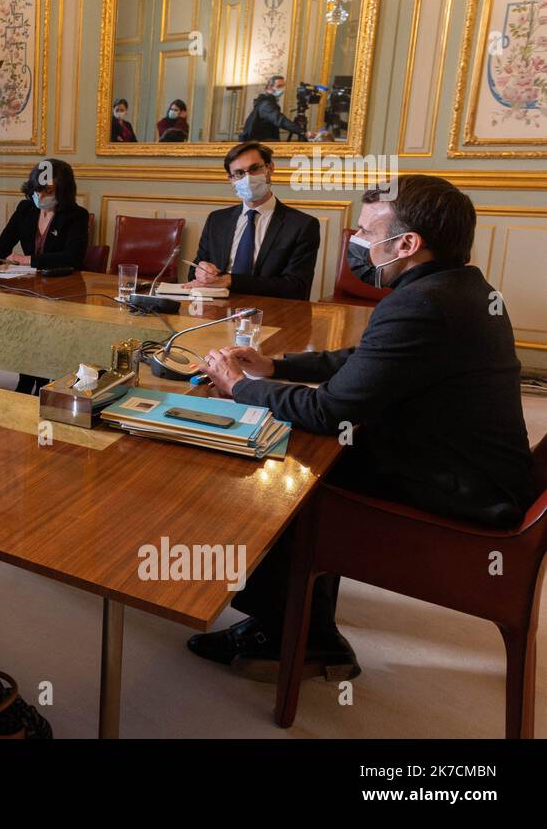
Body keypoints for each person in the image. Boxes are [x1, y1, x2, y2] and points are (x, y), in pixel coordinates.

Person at [190, 175, 534, 679]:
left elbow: (332, 412)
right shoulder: (461, 288)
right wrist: (274, 366)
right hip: (475, 468)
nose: (357, 242)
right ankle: (302, 622)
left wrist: (238, 385)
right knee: (302, 446)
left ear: (408, 244)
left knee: (279, 462)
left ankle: (293, 632)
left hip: (462, 489)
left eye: (368, 233)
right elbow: (364, 359)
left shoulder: (422, 302)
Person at [0, 159, 89, 394]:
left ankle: (41, 381)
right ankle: (27, 377)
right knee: (23, 326)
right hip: (28, 288)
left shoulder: (76, 215)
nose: (40, 196)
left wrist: (28, 260)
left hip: (63, 291)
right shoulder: (25, 209)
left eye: (48, 191)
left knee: (44, 329)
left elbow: (73, 258)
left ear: (63, 191)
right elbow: (2, 244)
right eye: (36, 189)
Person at [189, 141, 320, 300]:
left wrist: (231, 280)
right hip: (216, 307)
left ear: (270, 168)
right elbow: (193, 272)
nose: (248, 178)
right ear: (231, 179)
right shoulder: (217, 220)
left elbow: (296, 287)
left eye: (255, 168)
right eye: (239, 173)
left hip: (271, 312)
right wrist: (202, 270)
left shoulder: (301, 225)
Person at [239, 75, 306, 142]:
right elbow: (280, 120)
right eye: (279, 86)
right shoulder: (266, 104)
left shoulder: (269, 102)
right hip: (261, 142)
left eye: (283, 86)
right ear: (269, 87)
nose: (282, 89)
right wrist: (303, 132)